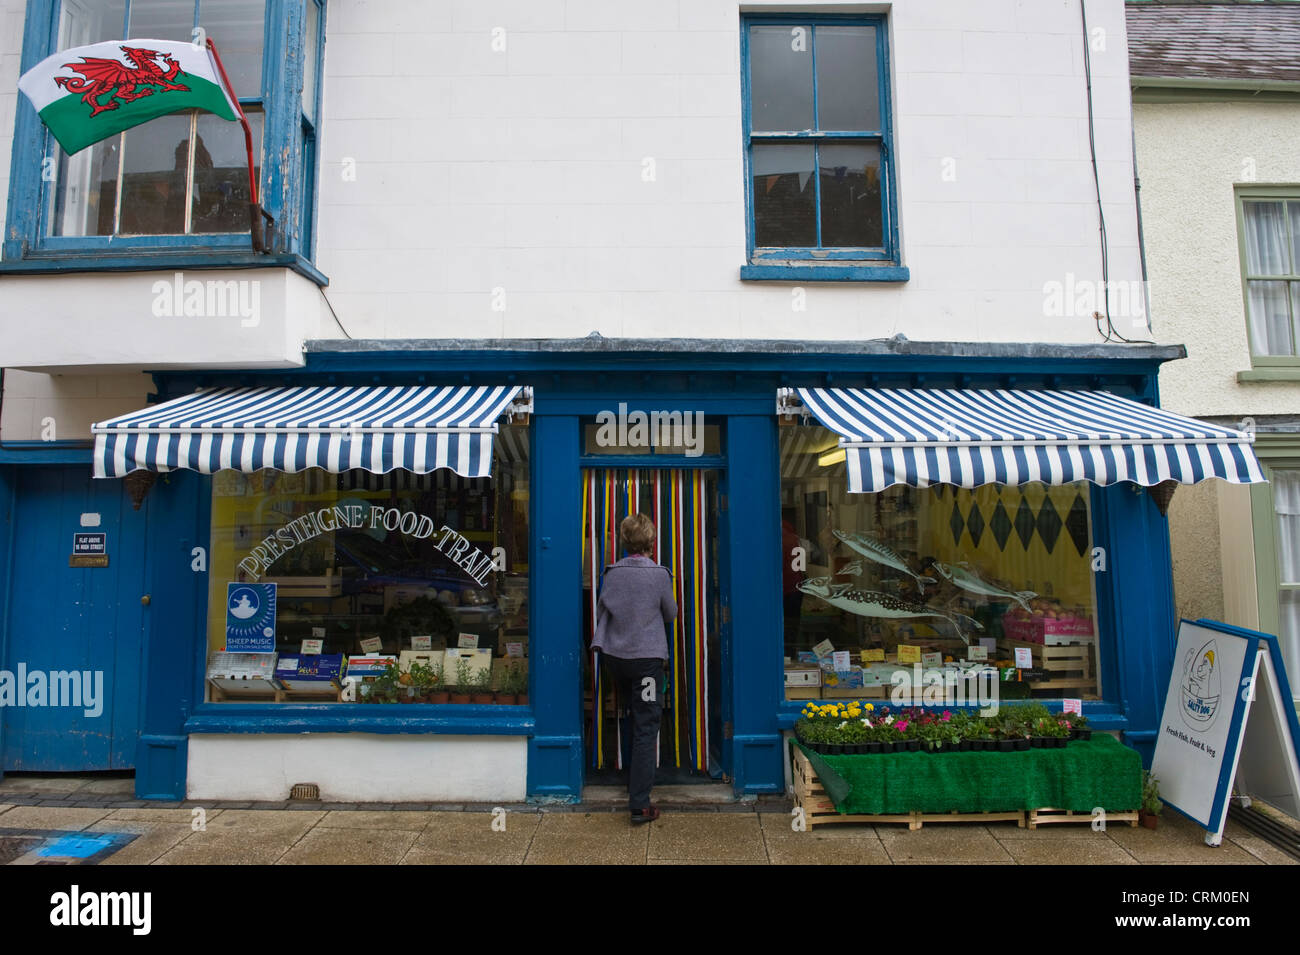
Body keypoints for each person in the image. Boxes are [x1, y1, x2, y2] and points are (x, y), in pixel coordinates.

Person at [591, 513, 677, 824]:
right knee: (646, 727)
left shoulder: (612, 573)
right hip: (646, 662)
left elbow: (604, 608)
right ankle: (639, 803)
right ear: (651, 542)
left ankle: (617, 771)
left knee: (628, 713)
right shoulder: (659, 574)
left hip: (616, 657)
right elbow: (671, 613)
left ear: (624, 541)